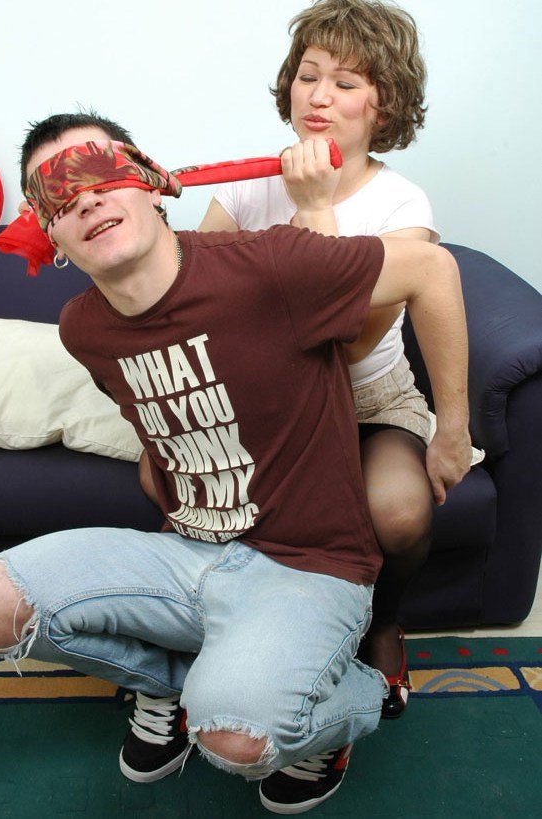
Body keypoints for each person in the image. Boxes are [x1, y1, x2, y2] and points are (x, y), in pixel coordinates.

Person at [0, 111, 471, 814]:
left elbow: (432, 269)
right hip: (188, 555)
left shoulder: (270, 265)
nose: (85, 198)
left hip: (307, 567)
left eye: (100, 171)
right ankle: (172, 680)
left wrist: (453, 430)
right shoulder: (84, 329)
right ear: (49, 233)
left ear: (151, 184)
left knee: (233, 738)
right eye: (56, 194)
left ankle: (351, 694)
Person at [197, 0, 451, 719]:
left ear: (383, 103)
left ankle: (382, 623)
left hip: (365, 402)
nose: (318, 96)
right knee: (161, 478)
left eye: (345, 82)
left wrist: (314, 211)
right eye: (308, 75)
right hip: (261, 404)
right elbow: (197, 301)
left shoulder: (402, 205)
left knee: (398, 512)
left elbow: (346, 342)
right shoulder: (245, 185)